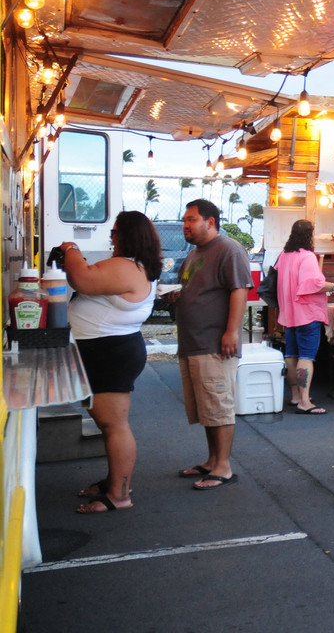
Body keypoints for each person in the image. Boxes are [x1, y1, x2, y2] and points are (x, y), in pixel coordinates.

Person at [60, 211, 161, 513]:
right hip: (107, 351)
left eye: (115, 232)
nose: (111, 237)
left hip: (110, 353)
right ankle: (113, 482)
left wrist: (70, 249)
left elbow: (82, 277)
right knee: (108, 425)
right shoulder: (133, 266)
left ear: (127, 235)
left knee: (114, 425)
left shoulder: (128, 267)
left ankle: (119, 494)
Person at [173, 199, 253, 491]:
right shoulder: (194, 254)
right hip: (192, 342)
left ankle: (224, 466)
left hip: (215, 343)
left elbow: (239, 289)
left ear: (210, 221)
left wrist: (232, 331)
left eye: (192, 219)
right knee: (207, 407)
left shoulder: (229, 249)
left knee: (218, 405)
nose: (186, 225)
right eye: (185, 220)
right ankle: (211, 460)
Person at [276, 219, 334, 415]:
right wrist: (332, 286)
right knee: (306, 356)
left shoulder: (284, 255)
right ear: (309, 236)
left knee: (291, 354)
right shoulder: (308, 257)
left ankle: (296, 396)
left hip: (289, 312)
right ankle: (305, 401)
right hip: (306, 313)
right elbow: (314, 284)